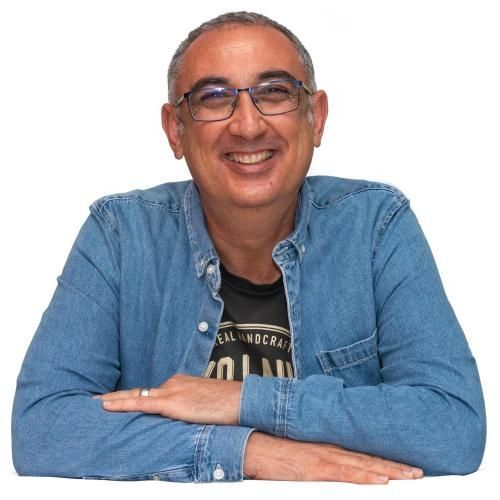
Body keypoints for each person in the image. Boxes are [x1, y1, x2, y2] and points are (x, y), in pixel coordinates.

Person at [11, 11, 486, 484]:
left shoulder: (375, 226)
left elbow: (453, 426)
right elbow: (42, 429)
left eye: (274, 92)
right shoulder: (120, 235)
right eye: (214, 97)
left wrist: (241, 400)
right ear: (175, 130)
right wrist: (252, 451)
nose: (247, 125)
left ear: (316, 118)